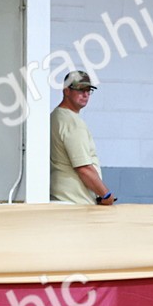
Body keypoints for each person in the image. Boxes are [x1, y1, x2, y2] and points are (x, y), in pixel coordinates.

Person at [50, 71, 115, 206]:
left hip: (60, 199)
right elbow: (84, 168)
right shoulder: (72, 122)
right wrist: (106, 195)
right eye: (80, 90)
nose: (85, 94)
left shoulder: (55, 117)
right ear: (66, 91)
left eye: (88, 90)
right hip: (76, 204)